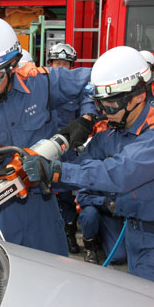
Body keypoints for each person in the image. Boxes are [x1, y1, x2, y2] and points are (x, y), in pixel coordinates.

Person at [22, 46, 154, 288]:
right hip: (134, 232)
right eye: (99, 105)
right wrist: (45, 159)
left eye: (110, 105)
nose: (103, 112)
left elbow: (120, 173)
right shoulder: (113, 131)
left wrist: (58, 171)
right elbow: (82, 164)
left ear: (138, 96)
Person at [0, 17, 96, 257]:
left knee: (54, 272)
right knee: (7, 279)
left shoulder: (40, 82)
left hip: (43, 201)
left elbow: (95, 81)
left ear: (12, 65)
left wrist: (87, 119)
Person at [47, 42, 94, 254]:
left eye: (65, 64)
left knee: (67, 192)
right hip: (45, 149)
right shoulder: (42, 83)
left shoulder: (79, 88)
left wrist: (86, 117)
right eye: (57, 63)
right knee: (45, 192)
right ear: (50, 63)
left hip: (69, 150)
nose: (61, 68)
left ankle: (68, 232)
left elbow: (88, 100)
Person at [75, 188, 127, 265]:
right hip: (93, 211)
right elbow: (81, 198)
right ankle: (89, 247)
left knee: (118, 257)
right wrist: (104, 201)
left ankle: (101, 239)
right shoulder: (88, 175)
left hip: (112, 215)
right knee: (89, 214)